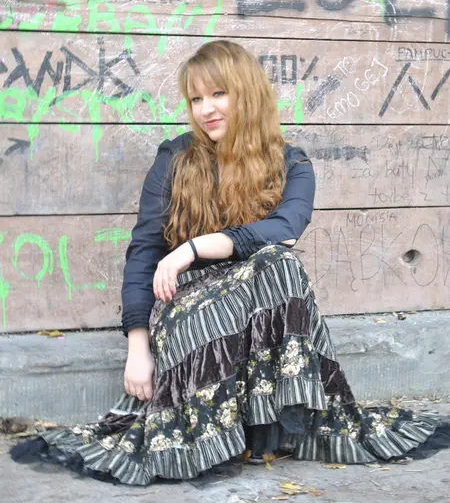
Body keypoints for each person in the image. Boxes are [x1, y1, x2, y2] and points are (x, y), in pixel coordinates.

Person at [11, 41, 449, 486]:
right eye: (196, 99)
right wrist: (138, 350)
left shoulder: (291, 163)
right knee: (266, 270)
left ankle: (264, 430)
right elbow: (143, 252)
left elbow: (286, 229)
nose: (206, 109)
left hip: (251, 300)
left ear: (248, 94)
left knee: (279, 262)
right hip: (186, 304)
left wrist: (193, 248)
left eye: (219, 93)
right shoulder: (174, 158)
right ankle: (225, 437)